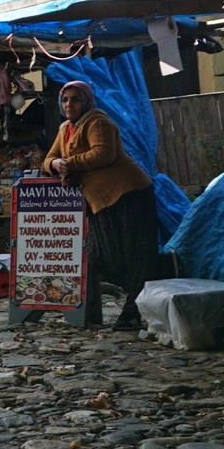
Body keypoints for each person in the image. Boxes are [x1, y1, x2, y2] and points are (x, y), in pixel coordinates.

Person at [44, 80, 157, 330]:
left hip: (129, 193)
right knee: (100, 255)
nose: (69, 104)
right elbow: (50, 157)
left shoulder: (98, 122)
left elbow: (103, 153)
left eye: (75, 99)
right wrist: (55, 165)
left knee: (134, 254)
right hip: (101, 201)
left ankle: (133, 313)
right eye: (65, 100)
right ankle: (132, 308)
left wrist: (69, 163)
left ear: (87, 102)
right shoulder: (66, 128)